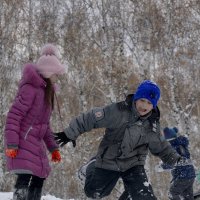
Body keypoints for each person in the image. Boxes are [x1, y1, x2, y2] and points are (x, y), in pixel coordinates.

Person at [55, 80, 182, 200]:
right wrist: (69, 134)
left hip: (134, 164)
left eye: (149, 103)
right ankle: (91, 166)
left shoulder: (152, 125)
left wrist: (175, 159)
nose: (144, 106)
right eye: (142, 100)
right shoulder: (118, 111)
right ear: (136, 98)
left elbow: (161, 146)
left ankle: (134, 193)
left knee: (144, 196)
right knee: (94, 192)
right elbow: (91, 118)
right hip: (109, 160)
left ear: (153, 106)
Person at [4, 43, 64, 200]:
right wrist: (11, 144)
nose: (57, 77)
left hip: (35, 143)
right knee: (25, 174)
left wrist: (53, 148)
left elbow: (45, 125)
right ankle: (20, 197)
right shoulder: (30, 89)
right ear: (48, 72)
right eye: (56, 74)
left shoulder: (46, 93)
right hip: (22, 141)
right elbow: (14, 116)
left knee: (40, 175)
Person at [159, 127, 196, 200]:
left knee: (172, 193)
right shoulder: (180, 144)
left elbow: (172, 162)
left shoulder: (173, 147)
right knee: (187, 196)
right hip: (190, 175)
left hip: (183, 176)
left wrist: (162, 167)